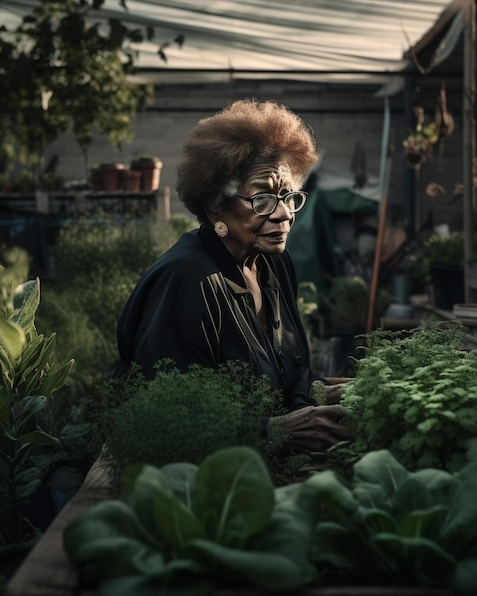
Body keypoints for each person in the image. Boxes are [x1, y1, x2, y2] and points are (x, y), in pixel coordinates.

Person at [111, 99, 350, 453]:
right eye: (262, 199)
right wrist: (273, 431)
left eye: (288, 196)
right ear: (213, 206)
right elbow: (168, 422)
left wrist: (315, 392)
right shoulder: (188, 281)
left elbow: (288, 372)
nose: (283, 214)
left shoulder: (273, 263)